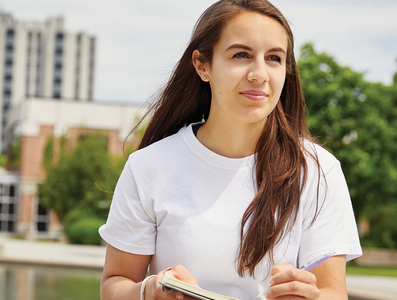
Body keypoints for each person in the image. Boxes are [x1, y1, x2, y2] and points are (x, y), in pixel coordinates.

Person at [99, 0, 362, 299]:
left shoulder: (318, 170)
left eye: (274, 58)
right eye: (241, 54)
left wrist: (312, 297)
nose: (259, 74)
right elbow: (115, 284)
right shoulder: (147, 167)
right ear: (202, 65)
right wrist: (148, 291)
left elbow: (333, 292)